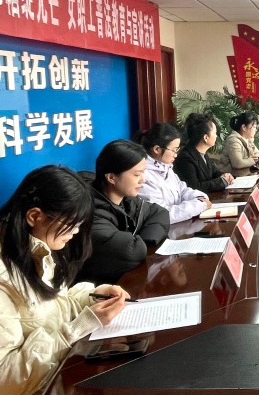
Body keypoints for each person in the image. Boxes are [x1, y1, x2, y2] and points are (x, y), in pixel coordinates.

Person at [0, 166, 130, 395]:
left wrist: (93, 297)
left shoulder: (38, 248)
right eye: (72, 224)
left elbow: (52, 305)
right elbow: (6, 377)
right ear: (34, 216)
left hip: (61, 374)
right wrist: (76, 329)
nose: (76, 232)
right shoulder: (5, 275)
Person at [79, 140, 170, 284]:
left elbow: (160, 213)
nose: (143, 180)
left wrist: (143, 241)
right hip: (100, 289)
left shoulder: (127, 199)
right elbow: (131, 251)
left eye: (143, 173)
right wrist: (138, 243)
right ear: (111, 178)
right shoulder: (90, 213)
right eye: (137, 175)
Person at [136, 122, 212, 223]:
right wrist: (198, 206)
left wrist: (200, 198)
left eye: (177, 150)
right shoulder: (143, 175)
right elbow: (162, 214)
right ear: (157, 149)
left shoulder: (166, 168)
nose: (176, 155)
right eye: (174, 150)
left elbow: (182, 190)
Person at [173, 113, 234, 193]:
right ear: (206, 137)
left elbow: (214, 173)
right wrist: (222, 182)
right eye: (215, 133)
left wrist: (226, 176)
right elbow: (194, 187)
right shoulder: (185, 158)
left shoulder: (202, 153)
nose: (216, 136)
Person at [219, 111, 259, 176]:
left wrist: (256, 158)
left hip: (243, 174)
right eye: (254, 127)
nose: (256, 130)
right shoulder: (233, 140)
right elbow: (238, 163)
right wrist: (253, 160)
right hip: (230, 176)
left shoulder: (248, 139)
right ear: (244, 127)